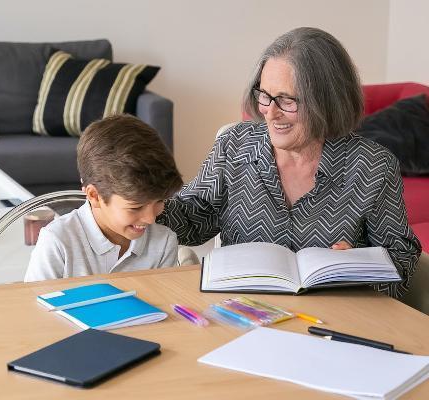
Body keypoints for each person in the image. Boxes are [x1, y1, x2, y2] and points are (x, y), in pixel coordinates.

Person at [158, 27, 421, 299]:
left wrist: (358, 271)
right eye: (265, 95)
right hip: (243, 312)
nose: (270, 112)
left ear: (326, 101)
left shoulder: (373, 166)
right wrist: (144, 202)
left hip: (334, 319)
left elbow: (401, 257)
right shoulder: (234, 145)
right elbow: (191, 220)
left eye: (286, 100)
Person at [25, 114, 183, 282]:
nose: (151, 218)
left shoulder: (164, 242)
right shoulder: (57, 241)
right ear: (94, 195)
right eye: (136, 207)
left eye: (160, 201)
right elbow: (32, 306)